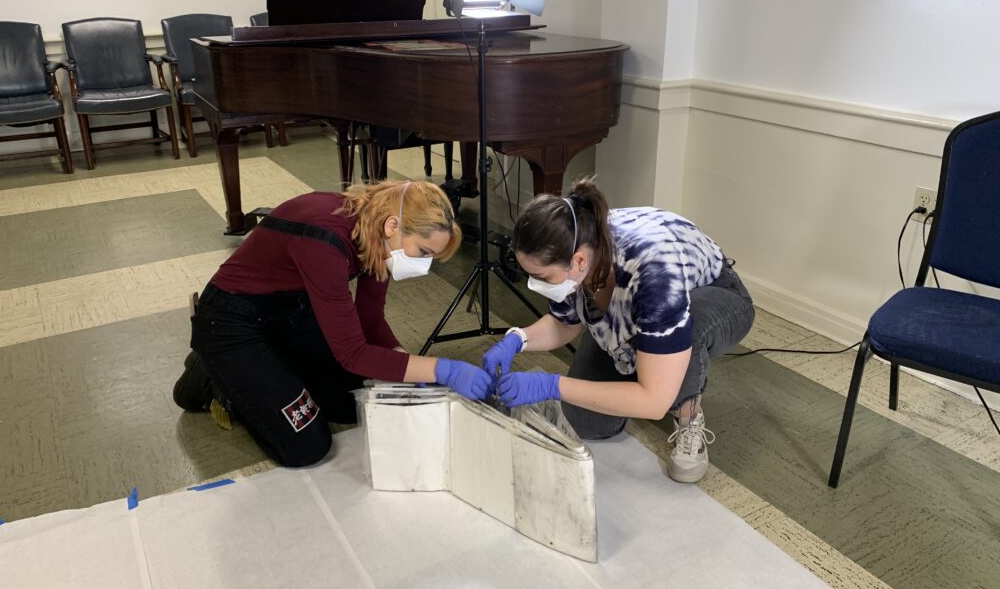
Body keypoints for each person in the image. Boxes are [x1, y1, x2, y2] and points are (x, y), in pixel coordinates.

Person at [174, 180, 493, 467]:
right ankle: (213, 376)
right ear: (393, 225)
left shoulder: (376, 231)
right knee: (306, 447)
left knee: (352, 399)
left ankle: (269, 369)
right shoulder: (324, 239)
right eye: (423, 252)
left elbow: (370, 321)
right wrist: (442, 369)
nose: (423, 264)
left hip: (290, 313)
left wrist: (403, 361)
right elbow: (352, 353)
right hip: (233, 322)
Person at [482, 176, 754, 483]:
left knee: (685, 337)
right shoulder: (576, 244)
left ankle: (689, 415)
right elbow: (564, 324)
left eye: (542, 276)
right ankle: (647, 359)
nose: (536, 284)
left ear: (579, 261)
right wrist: (518, 339)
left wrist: (551, 385)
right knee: (586, 422)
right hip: (631, 302)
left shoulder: (655, 274)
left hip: (715, 295)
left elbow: (653, 402)